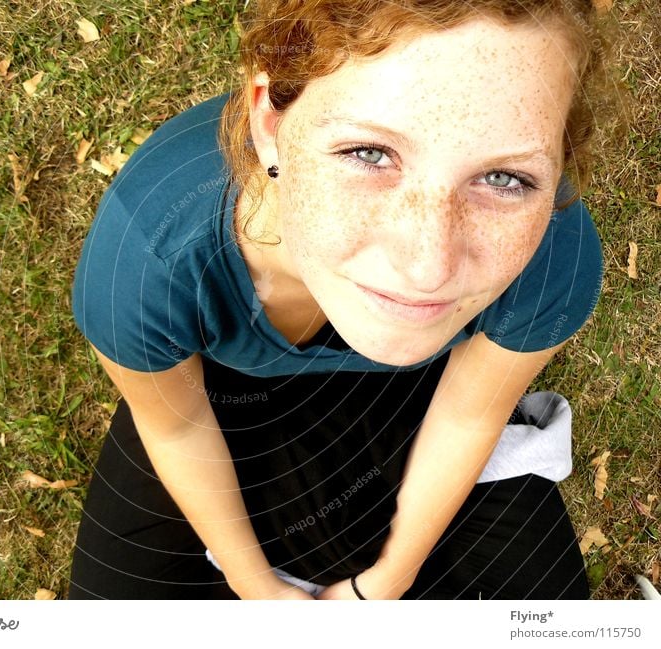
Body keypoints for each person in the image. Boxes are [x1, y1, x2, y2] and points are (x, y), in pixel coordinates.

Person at [68, 0, 605, 600]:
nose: (427, 268)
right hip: (217, 397)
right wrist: (259, 593)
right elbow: (176, 426)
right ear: (270, 122)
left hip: (425, 394)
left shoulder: (553, 252)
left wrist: (381, 585)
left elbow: (468, 413)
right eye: (369, 154)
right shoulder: (148, 258)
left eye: (504, 178)